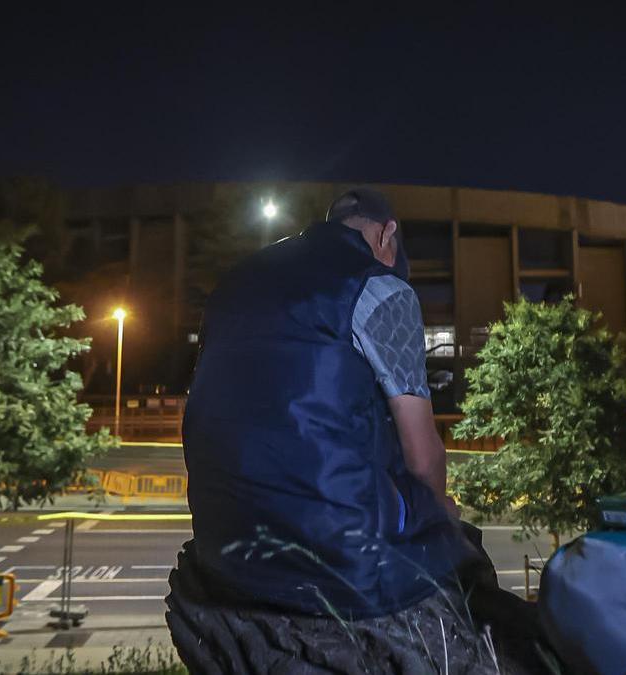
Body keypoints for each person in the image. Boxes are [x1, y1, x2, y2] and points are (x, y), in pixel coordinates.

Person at [163, 188, 536, 673]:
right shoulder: (380, 287)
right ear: (387, 234)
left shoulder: (236, 283)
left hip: (221, 542)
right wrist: (441, 511)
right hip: (344, 561)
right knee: (456, 543)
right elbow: (423, 453)